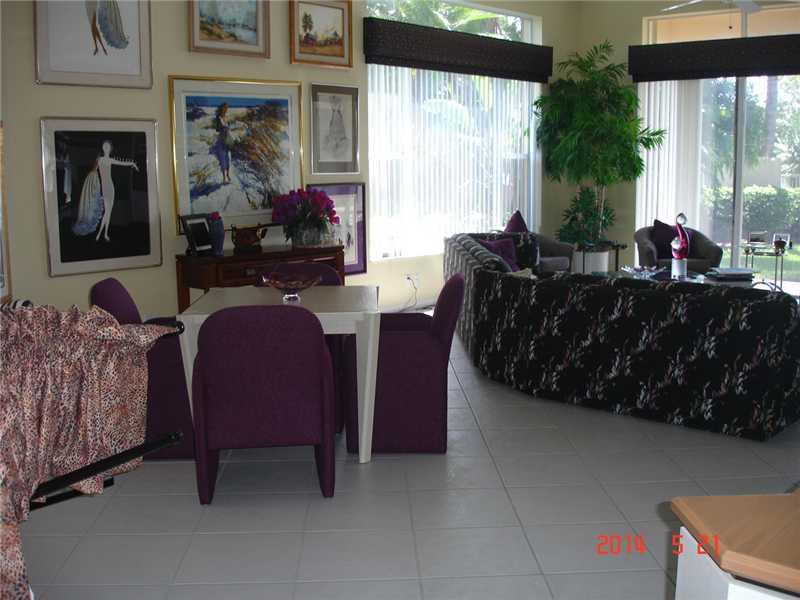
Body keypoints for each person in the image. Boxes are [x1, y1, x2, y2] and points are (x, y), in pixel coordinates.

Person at [72, 140, 138, 242]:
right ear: (103, 148)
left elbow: (122, 163)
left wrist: (132, 163)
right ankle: (101, 234)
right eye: (104, 146)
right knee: (106, 212)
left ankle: (104, 234)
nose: (105, 147)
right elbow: (93, 171)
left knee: (108, 212)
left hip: (111, 188)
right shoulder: (99, 159)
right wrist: (90, 183)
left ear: (110, 149)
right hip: (105, 188)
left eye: (107, 146)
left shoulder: (110, 160)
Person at [211, 103, 231, 184]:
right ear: (222, 109)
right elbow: (217, 129)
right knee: (222, 159)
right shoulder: (218, 118)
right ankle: (224, 177)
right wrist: (224, 129)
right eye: (225, 108)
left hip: (226, 141)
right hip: (221, 140)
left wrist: (227, 129)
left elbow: (228, 128)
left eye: (227, 108)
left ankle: (228, 175)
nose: (226, 110)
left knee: (227, 159)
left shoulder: (226, 118)